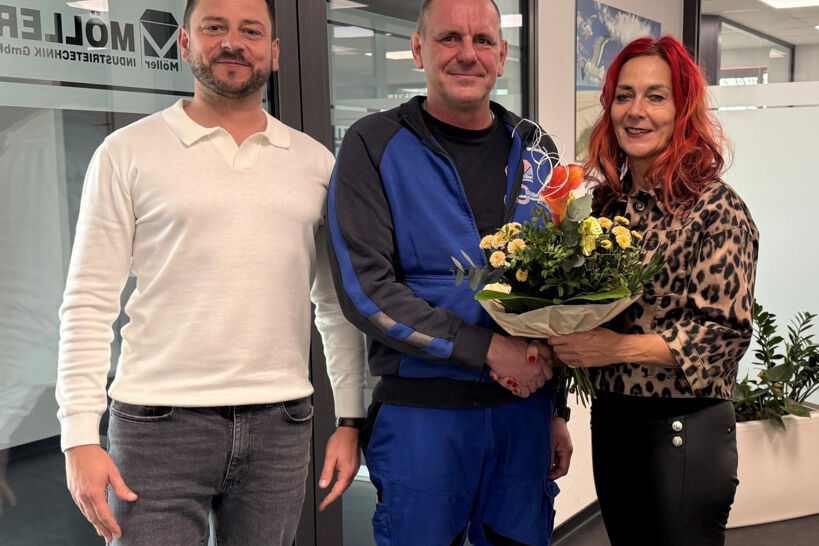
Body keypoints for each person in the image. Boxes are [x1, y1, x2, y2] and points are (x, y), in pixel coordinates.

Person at [56, 0, 365, 544]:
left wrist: (350, 418)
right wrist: (78, 434)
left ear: (273, 51)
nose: (232, 43)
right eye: (214, 27)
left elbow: (335, 304)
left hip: (281, 425)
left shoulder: (315, 162)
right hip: (157, 427)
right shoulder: (126, 152)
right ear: (184, 42)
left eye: (251, 31)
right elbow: (88, 299)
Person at [325, 1, 573, 544]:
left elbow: (556, 288)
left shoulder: (536, 150)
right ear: (418, 49)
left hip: (523, 419)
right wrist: (487, 349)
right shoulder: (373, 144)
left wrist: (555, 410)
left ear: (501, 56)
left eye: (482, 40)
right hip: (424, 418)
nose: (467, 54)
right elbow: (367, 291)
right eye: (449, 38)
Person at [528, 35, 758, 546]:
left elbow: (723, 335)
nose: (636, 111)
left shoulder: (715, 208)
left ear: (683, 110)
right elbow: (573, 314)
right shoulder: (604, 207)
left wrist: (614, 349)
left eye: (656, 96)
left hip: (685, 430)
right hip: (614, 421)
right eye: (624, 95)